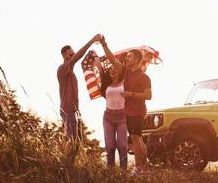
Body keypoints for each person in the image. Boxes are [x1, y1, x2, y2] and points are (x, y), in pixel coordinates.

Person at [98, 35, 152, 174]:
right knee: (137, 138)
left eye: (129, 57)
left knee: (135, 137)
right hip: (128, 112)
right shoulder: (127, 72)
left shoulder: (144, 77)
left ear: (137, 60)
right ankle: (144, 167)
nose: (126, 59)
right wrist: (104, 45)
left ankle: (139, 167)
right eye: (127, 57)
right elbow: (112, 59)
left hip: (138, 111)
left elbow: (148, 95)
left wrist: (131, 95)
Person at [57, 34, 101, 141]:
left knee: (75, 142)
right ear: (64, 55)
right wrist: (91, 41)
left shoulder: (71, 72)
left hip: (73, 111)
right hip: (67, 111)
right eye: (70, 54)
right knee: (71, 141)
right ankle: (66, 158)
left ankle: (69, 158)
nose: (73, 55)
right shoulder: (62, 69)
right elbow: (77, 57)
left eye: (73, 53)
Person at [94, 41, 128, 169]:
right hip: (108, 116)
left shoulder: (124, 81)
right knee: (110, 145)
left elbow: (113, 60)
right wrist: (97, 62)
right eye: (110, 69)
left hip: (122, 116)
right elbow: (100, 68)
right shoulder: (106, 84)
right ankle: (111, 171)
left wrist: (104, 44)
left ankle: (123, 171)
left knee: (122, 145)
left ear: (119, 71)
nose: (113, 70)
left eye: (115, 68)